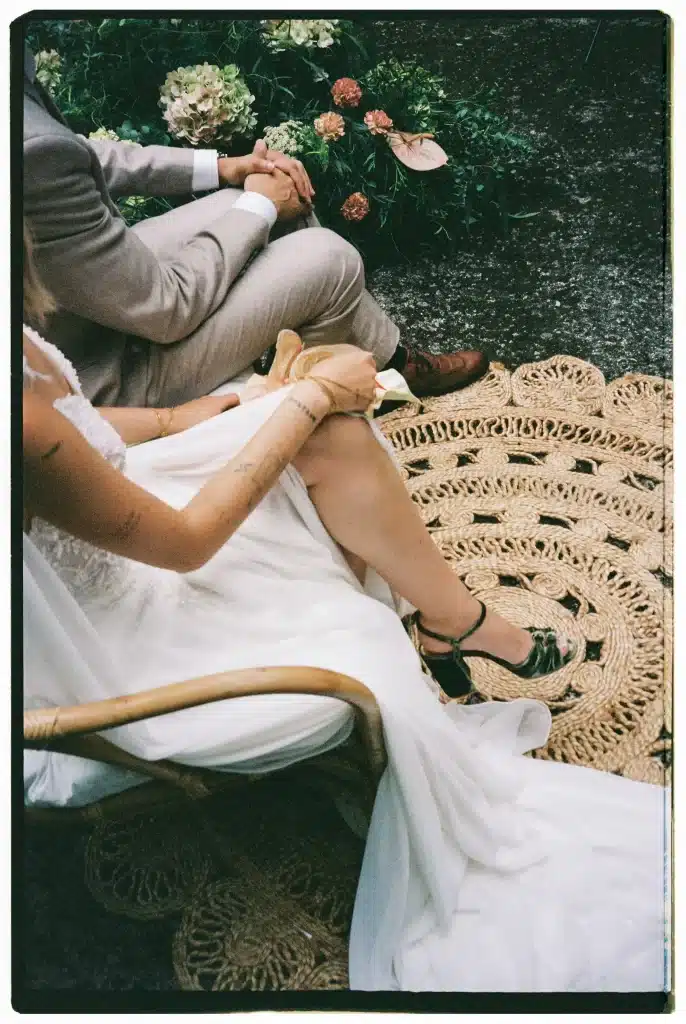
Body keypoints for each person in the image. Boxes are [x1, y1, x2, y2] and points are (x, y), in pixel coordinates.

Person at [22, 225, 667, 993]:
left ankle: (449, 619)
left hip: (122, 532)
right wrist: (310, 395)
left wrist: (199, 413)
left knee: (329, 441)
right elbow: (186, 544)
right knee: (319, 432)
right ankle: (454, 624)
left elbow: (77, 429)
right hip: (110, 638)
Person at [23, 45, 488, 409]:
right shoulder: (30, 149)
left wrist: (227, 168)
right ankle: (308, 416)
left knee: (263, 205)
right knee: (332, 259)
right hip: (94, 380)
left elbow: (86, 155)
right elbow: (165, 310)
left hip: (75, 312)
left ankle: (387, 365)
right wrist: (259, 207)